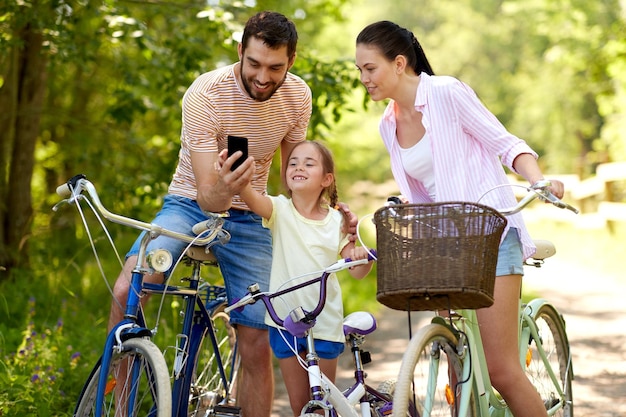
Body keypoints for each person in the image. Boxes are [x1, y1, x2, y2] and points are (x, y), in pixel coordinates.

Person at [108, 11, 317, 417]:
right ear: (240, 51)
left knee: (256, 340)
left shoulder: (298, 96)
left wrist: (316, 218)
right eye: (253, 63)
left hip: (252, 215)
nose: (262, 76)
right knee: (125, 293)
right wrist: (226, 183)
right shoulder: (206, 93)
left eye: (275, 67)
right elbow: (208, 198)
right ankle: (119, 406)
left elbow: (295, 179)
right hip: (189, 204)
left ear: (291, 61)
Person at [355, 20, 565, 417]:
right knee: (457, 363)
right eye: (359, 70)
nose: (364, 78)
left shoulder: (447, 93)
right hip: (447, 250)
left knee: (502, 370)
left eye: (370, 68)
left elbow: (506, 144)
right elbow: (419, 196)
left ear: (399, 63)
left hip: (492, 238)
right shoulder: (388, 124)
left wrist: (539, 180)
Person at [236, 140, 373, 416]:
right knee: (302, 407)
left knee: (322, 406)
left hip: (323, 323)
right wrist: (237, 177)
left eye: (309, 163)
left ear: (326, 179)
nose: (298, 167)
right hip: (285, 323)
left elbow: (357, 271)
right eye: (293, 162)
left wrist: (359, 251)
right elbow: (250, 196)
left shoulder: (336, 222)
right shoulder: (279, 210)